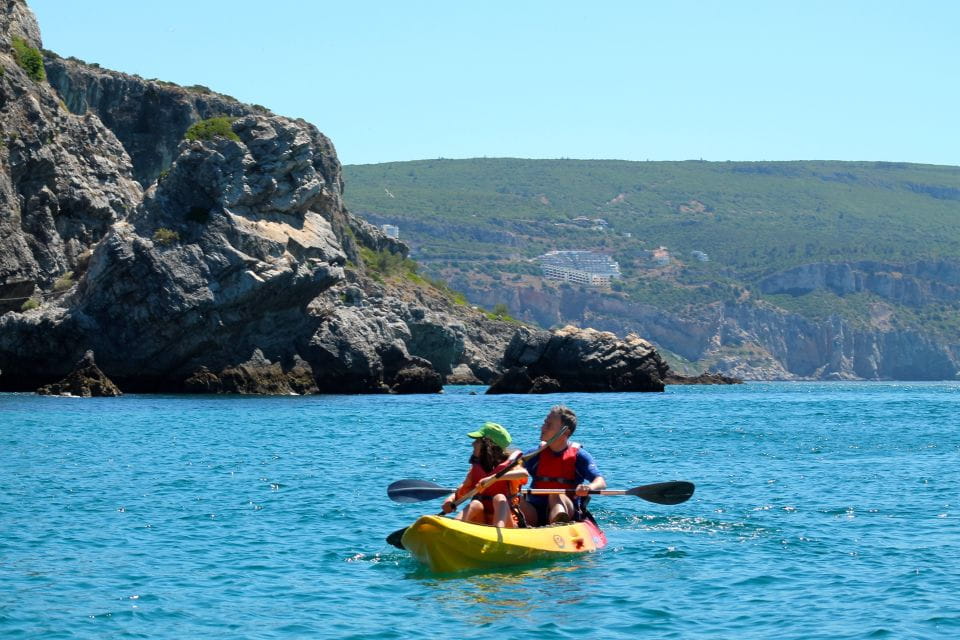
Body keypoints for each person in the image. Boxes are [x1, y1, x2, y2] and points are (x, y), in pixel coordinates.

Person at [519, 405, 606, 526]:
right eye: (545, 423)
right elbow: (513, 471)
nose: (542, 427)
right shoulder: (534, 454)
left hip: (567, 509)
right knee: (514, 498)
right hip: (535, 511)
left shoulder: (579, 456)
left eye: (548, 425)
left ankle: (558, 525)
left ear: (565, 432)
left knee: (555, 494)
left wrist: (589, 488)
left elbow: (600, 481)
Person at [441, 422, 529, 528]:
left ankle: (498, 534)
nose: (472, 444)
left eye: (477, 441)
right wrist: (450, 500)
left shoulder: (510, 467)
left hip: (508, 525)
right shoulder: (476, 469)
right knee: (476, 504)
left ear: (488, 446)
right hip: (483, 522)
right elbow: (463, 490)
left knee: (499, 498)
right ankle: (452, 529)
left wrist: (493, 478)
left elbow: (524, 474)